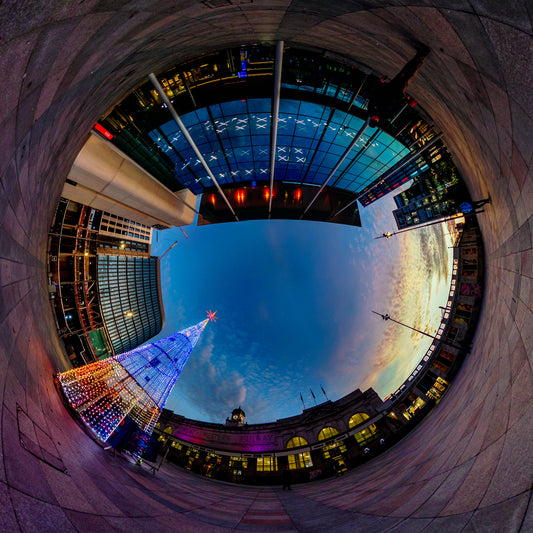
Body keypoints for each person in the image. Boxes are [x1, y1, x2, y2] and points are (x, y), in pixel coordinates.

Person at [369, 45, 430, 126]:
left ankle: (418, 56)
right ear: (377, 121)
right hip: (398, 93)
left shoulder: (371, 109)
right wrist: (405, 100)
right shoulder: (386, 116)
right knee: (408, 76)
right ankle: (421, 57)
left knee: (404, 72)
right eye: (375, 119)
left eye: (373, 118)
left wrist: (380, 82)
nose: (374, 117)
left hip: (390, 87)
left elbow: (375, 94)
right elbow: (396, 108)